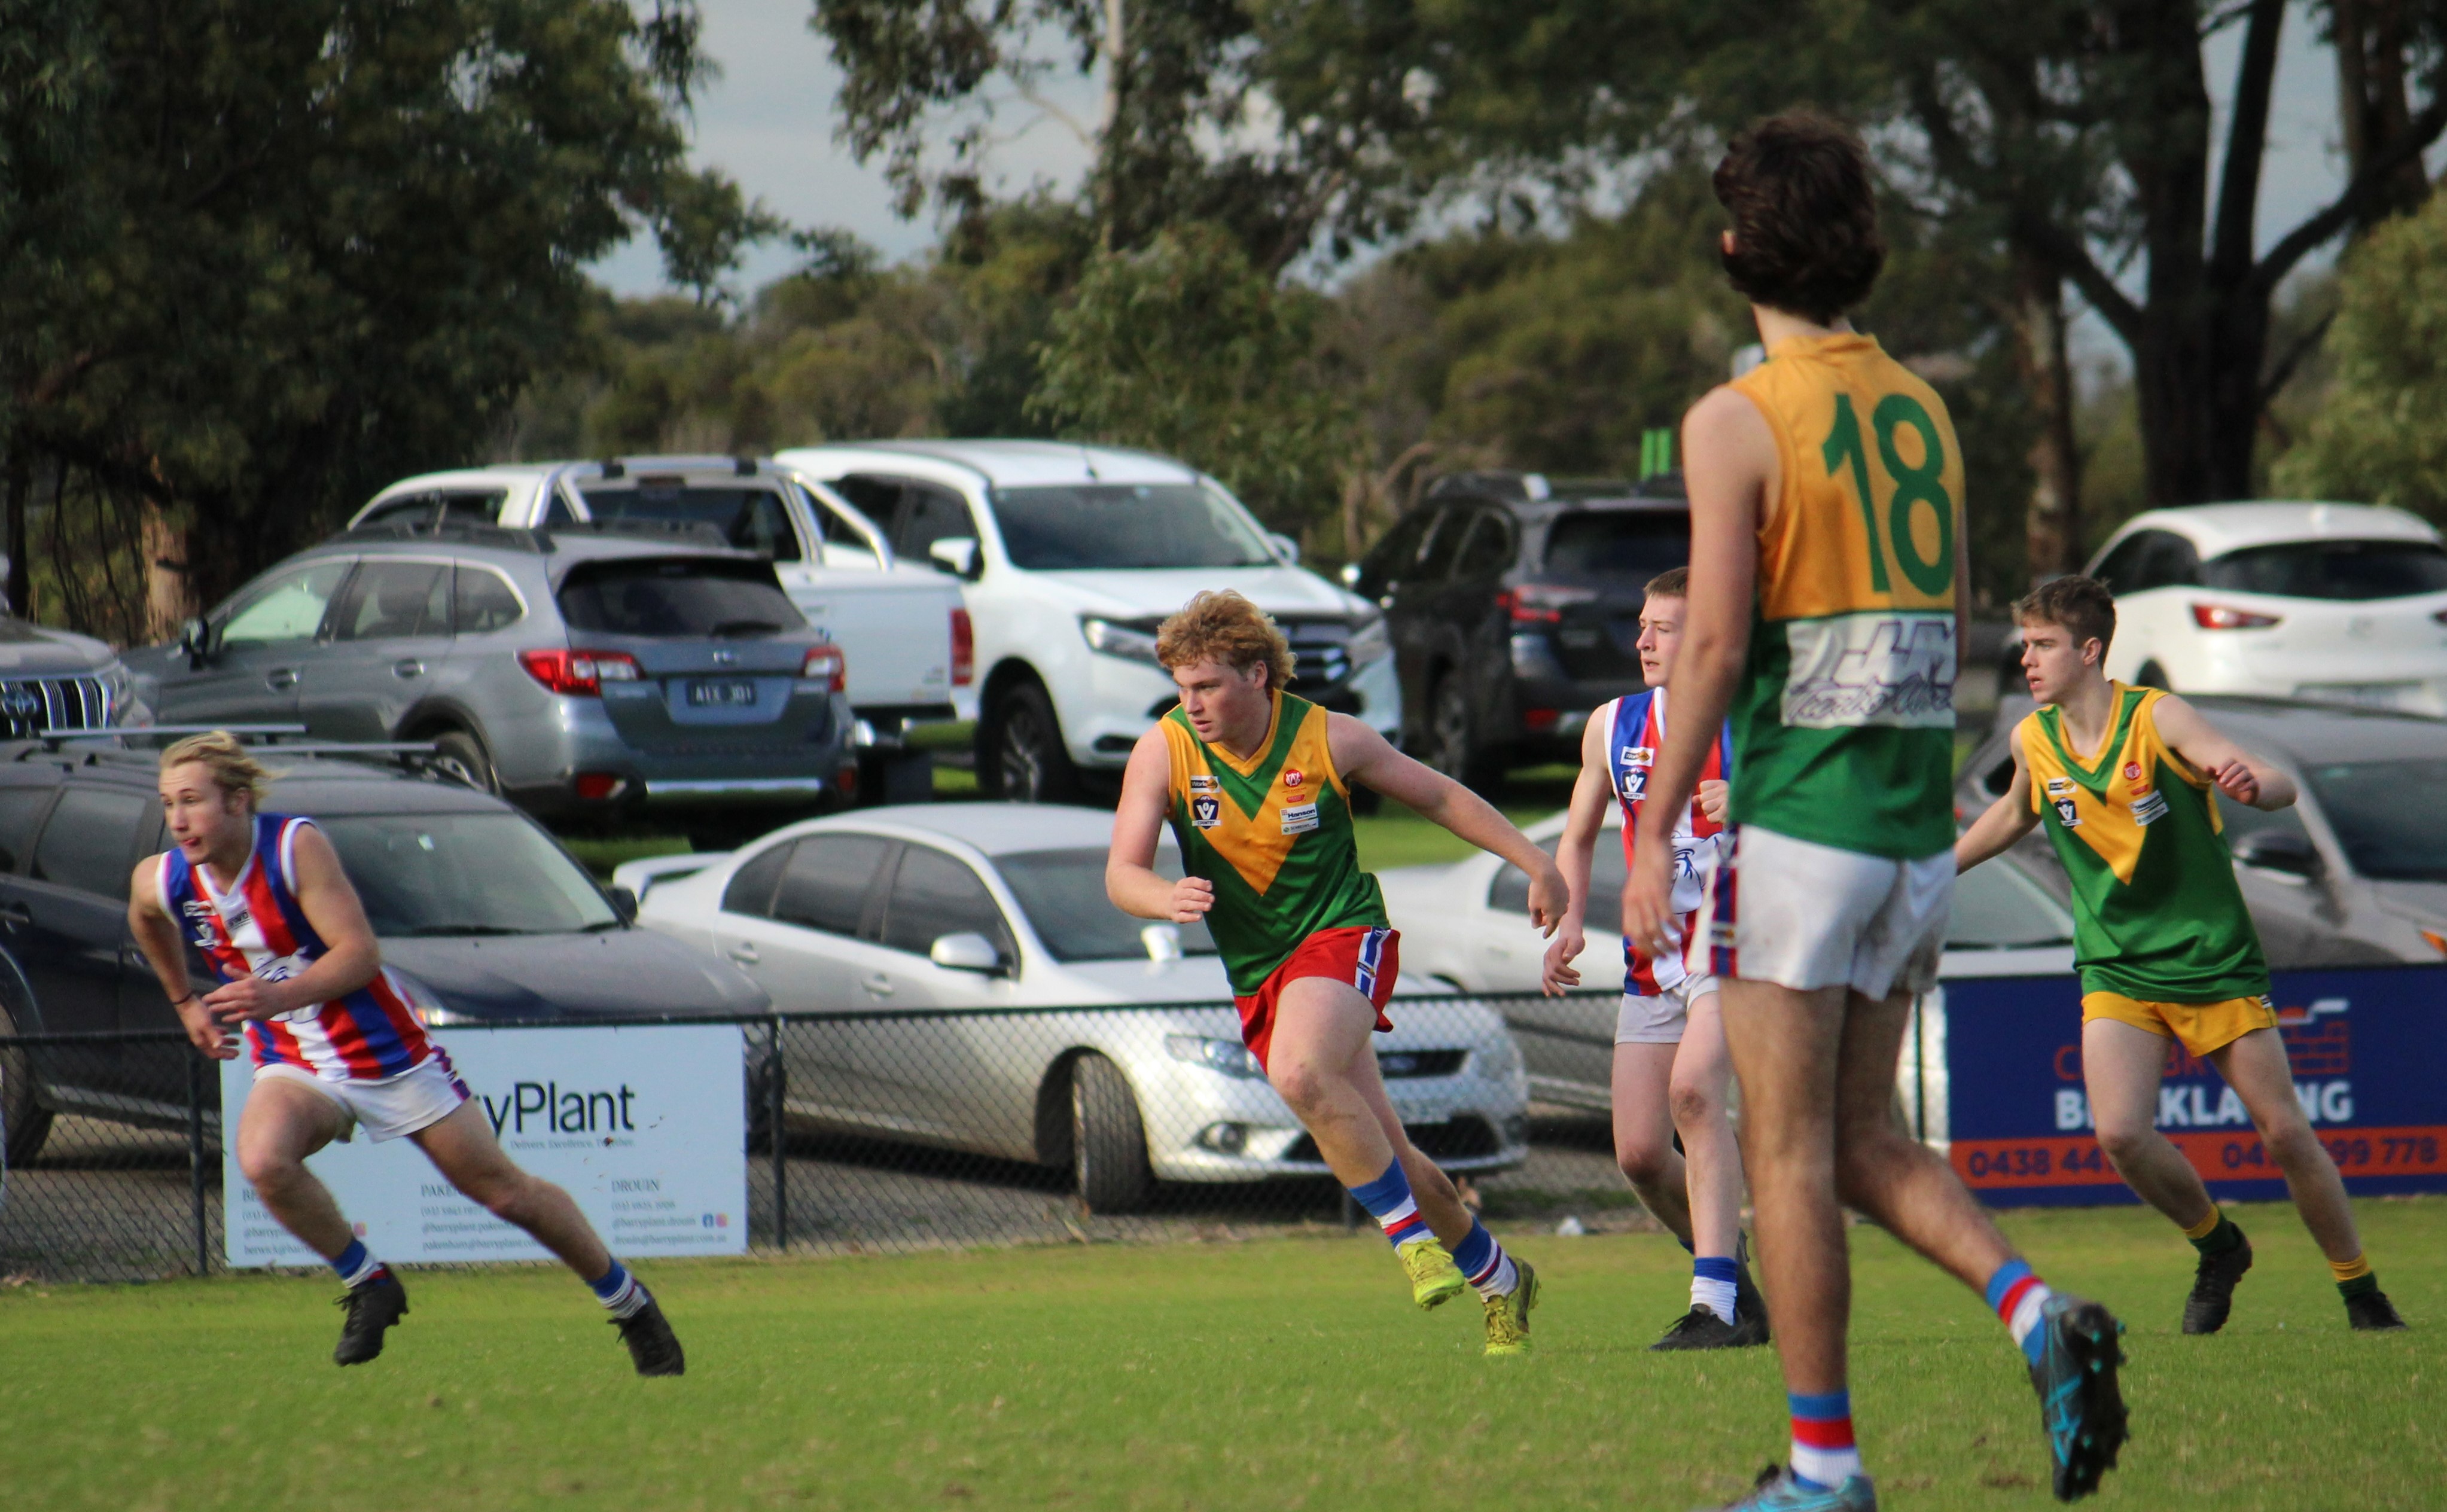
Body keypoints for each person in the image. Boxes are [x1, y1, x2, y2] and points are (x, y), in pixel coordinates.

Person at [1622, 112, 2127, 1509]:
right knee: (1857, 1142)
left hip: (1799, 827)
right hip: (1909, 838)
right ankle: (2038, 1317)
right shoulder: (1921, 406)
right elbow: (1952, 622)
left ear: (1735, 248)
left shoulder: (1733, 418)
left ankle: (1822, 1470)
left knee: (1783, 1151)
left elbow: (1711, 644)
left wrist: (1651, 830)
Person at [127, 731, 685, 1374]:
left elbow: (359, 955)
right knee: (262, 1160)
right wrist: (185, 1003)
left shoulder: (291, 848)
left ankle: (629, 1303)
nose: (178, 819)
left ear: (237, 801)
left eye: (192, 800)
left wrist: (277, 996)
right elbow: (144, 916)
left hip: (386, 1054)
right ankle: (369, 1283)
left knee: (505, 1193)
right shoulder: (169, 878)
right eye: (169, 803)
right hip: (296, 1062)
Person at [1108, 590, 1567, 1355]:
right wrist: (1163, 895)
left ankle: (1408, 1241)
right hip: (1261, 971)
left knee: (1298, 1070)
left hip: (1341, 934)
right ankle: (1499, 1277)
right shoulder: (1163, 749)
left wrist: (1536, 861)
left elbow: (1440, 795)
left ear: (1257, 674)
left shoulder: (1329, 737)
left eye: (1207, 685)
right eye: (1182, 687)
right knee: (1397, 1156)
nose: (1191, 704)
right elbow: (1121, 872)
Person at [1957, 576, 2407, 1336]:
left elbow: (2273, 783)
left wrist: (2253, 786)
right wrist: (1933, 872)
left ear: (2088, 650)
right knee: (2119, 1133)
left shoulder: (2156, 716)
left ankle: (2359, 1288)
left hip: (2209, 957)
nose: (2025, 659)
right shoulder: (2031, 737)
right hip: (2115, 962)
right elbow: (2014, 808)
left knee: (2283, 1133)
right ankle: (2217, 1245)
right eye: (2025, 644)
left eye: (2042, 645)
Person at [1541, 565, 1765, 1350]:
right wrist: (1568, 919)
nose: (1641, 640)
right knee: (1638, 1154)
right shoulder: (1612, 725)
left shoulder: (1757, 721)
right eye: (1640, 625)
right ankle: (1725, 1267)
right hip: (1653, 954)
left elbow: (1832, 816)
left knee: (1694, 1095)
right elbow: (1577, 835)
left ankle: (1714, 1304)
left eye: (1662, 628)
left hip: (1734, 944)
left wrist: (1755, 802)